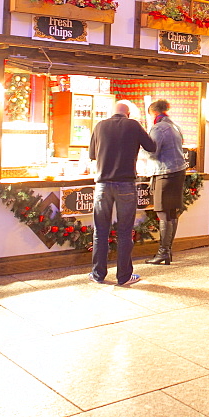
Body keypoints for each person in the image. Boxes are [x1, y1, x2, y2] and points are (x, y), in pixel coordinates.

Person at [88, 101, 156, 286]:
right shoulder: (133, 125)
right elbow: (152, 146)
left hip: (102, 184)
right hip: (125, 184)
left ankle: (97, 274)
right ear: (128, 113)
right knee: (125, 232)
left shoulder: (100, 125)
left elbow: (92, 154)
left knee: (100, 231)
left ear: (112, 112)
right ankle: (124, 276)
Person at [145, 99, 188, 265]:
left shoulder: (158, 127)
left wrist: (140, 149)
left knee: (163, 212)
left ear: (154, 113)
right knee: (171, 212)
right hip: (178, 171)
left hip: (165, 172)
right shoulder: (175, 126)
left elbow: (152, 152)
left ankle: (163, 252)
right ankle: (167, 252)